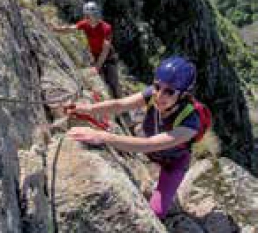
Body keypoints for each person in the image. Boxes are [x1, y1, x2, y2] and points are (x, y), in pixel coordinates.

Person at [67, 56, 200, 221]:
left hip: (173, 164)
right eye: (158, 86)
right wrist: (87, 109)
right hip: (152, 152)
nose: (159, 95)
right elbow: (120, 105)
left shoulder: (191, 123)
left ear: (184, 95)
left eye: (169, 91)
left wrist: (102, 136)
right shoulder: (152, 94)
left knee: (156, 214)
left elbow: (149, 144)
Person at [48, 1, 122, 98]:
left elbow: (105, 50)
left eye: (88, 16)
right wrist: (56, 29)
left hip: (109, 57)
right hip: (96, 56)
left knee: (113, 82)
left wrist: (97, 67)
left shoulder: (106, 28)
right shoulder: (85, 24)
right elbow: (71, 28)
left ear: (95, 15)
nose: (86, 18)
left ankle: (122, 108)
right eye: (86, 15)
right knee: (100, 81)